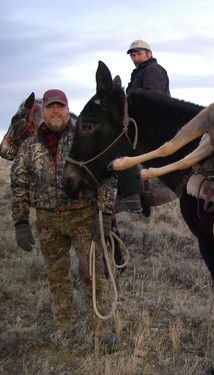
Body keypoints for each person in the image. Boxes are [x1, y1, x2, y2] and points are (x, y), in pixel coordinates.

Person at [11, 89, 119, 349]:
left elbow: (108, 176)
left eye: (60, 106)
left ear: (67, 108)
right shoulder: (29, 146)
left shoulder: (84, 135)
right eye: (50, 107)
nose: (55, 111)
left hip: (82, 217)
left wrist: (104, 215)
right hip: (48, 222)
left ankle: (101, 330)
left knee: (92, 274)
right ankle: (65, 328)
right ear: (43, 111)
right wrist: (21, 222)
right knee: (57, 277)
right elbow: (19, 185)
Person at [115, 39, 171, 214]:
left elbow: (154, 99)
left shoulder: (153, 71)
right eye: (133, 55)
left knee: (122, 146)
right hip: (141, 121)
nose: (135, 58)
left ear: (149, 54)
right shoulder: (139, 73)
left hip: (154, 122)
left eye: (138, 54)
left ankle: (131, 195)